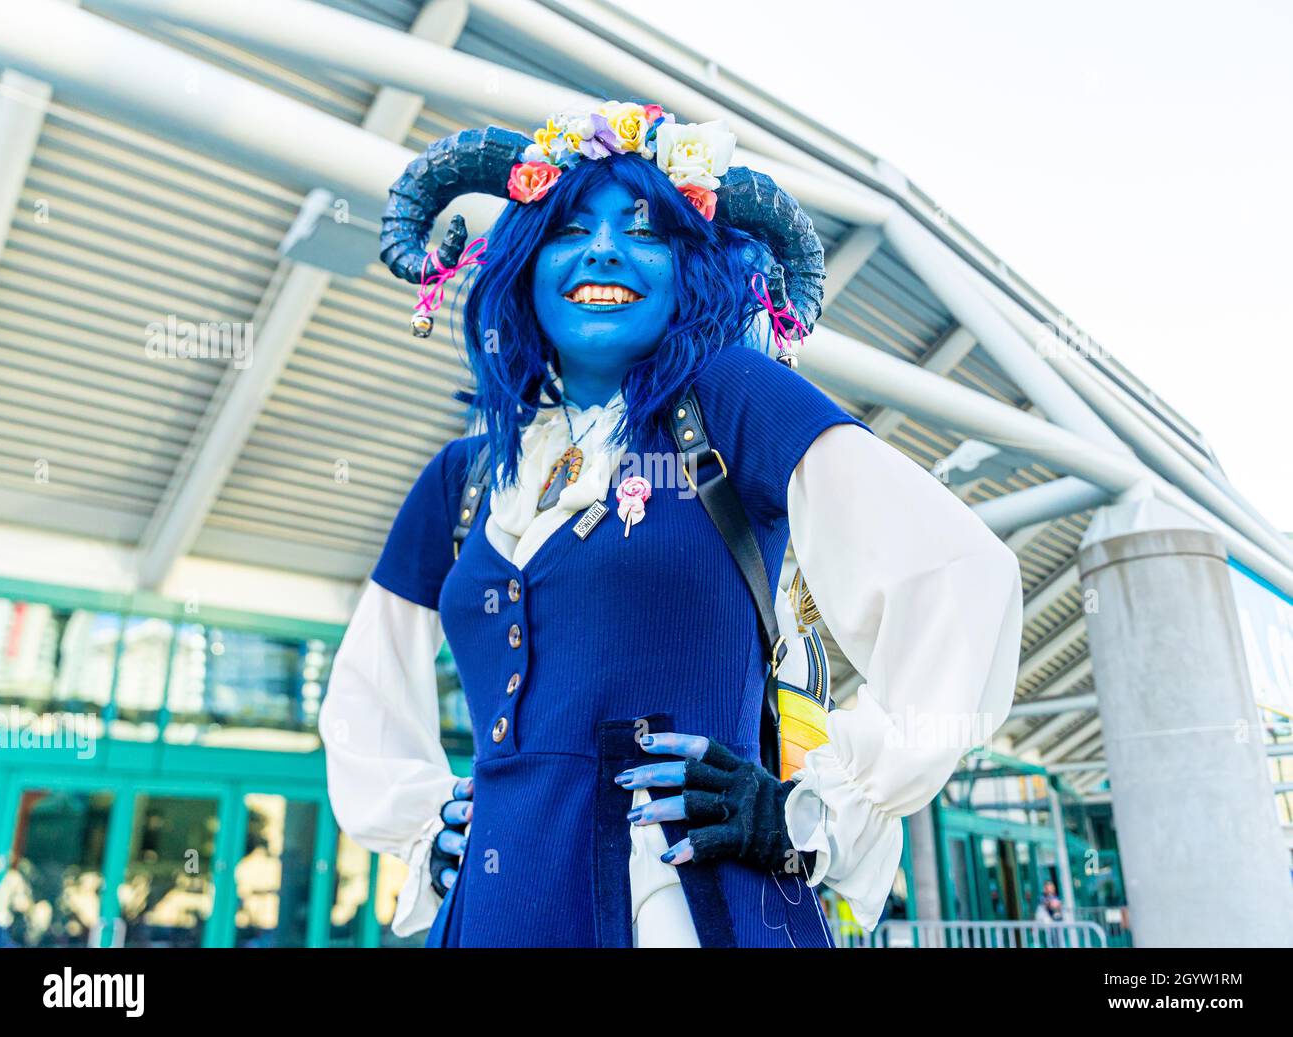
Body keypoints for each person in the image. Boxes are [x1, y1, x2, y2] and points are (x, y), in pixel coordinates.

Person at [318, 101, 1023, 947]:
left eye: (645, 231)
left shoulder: (732, 397)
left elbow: (957, 574)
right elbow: (362, 692)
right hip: (494, 914)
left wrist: (808, 801)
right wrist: (422, 825)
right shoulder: (459, 482)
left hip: (692, 905)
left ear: (689, 269)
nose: (605, 248)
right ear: (525, 264)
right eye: (568, 228)